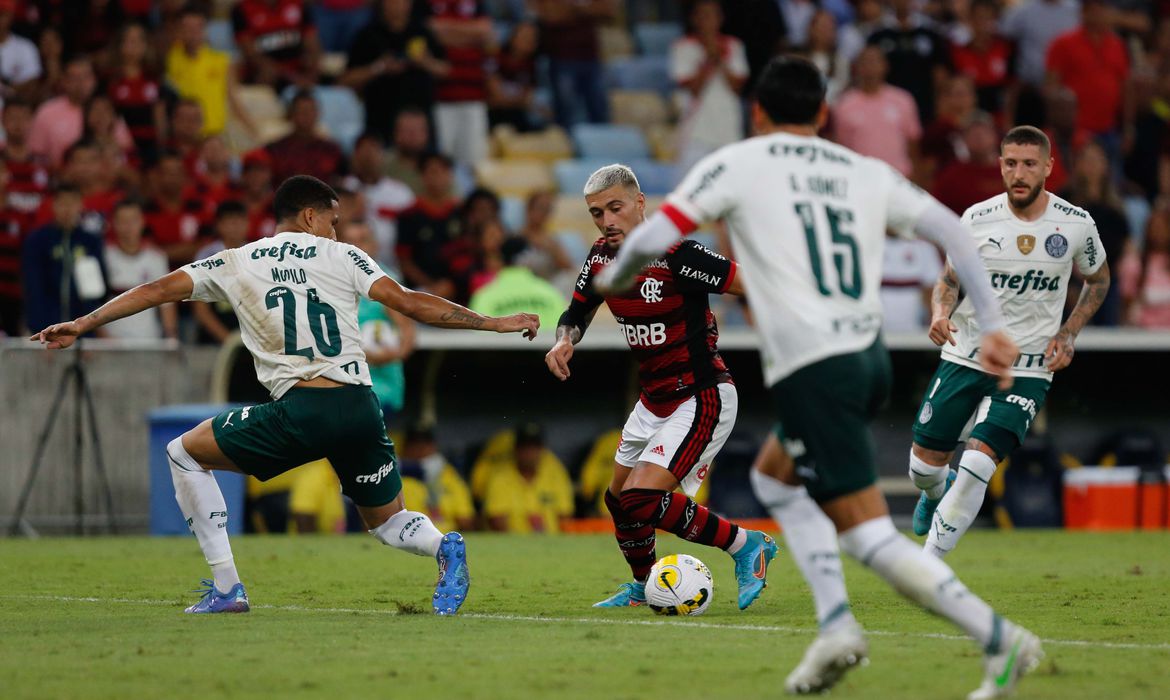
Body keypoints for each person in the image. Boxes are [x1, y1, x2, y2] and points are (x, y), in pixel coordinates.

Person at [595, 56, 1040, 698]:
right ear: (824, 114)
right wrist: (994, 323)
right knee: (772, 479)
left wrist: (610, 278)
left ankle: (1001, 640)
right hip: (868, 357)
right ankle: (835, 627)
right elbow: (953, 228)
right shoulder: (862, 169)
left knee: (866, 534)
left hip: (813, 367)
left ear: (757, 114)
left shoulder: (739, 164)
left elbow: (651, 238)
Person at [30, 174, 539, 616]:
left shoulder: (236, 261)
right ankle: (443, 546)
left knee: (183, 453)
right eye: (333, 220)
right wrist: (490, 322)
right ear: (311, 216)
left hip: (303, 407)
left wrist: (85, 321)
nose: (336, 230)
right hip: (360, 405)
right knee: (387, 522)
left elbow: (157, 290)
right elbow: (408, 303)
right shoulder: (346, 256)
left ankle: (227, 588)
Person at [544, 163, 778, 612]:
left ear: (639, 204)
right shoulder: (600, 258)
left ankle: (747, 545)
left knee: (641, 496)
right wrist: (564, 341)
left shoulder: (678, 254)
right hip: (653, 401)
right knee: (618, 501)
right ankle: (641, 587)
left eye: (615, 208)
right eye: (596, 213)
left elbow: (749, 283)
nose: (607, 220)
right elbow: (577, 311)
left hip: (701, 394)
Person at [909, 125, 1110, 562]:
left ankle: (928, 566)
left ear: (1049, 168)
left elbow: (1098, 280)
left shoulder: (1075, 224)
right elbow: (948, 281)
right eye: (1011, 163)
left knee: (980, 461)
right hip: (966, 354)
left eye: (1030, 164)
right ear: (1001, 165)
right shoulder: (977, 220)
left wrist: (1068, 332)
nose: (1019, 173)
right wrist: (940, 314)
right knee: (923, 467)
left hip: (1029, 366)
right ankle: (933, 494)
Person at [338, 219, 416, 427]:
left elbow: (407, 332)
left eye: (362, 240)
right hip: (339, 381)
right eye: (350, 241)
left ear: (375, 245)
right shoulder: (331, 281)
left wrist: (391, 354)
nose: (356, 247)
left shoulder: (385, 282)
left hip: (378, 384)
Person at [670, 0, 749, 174]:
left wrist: (720, 58)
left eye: (712, 15)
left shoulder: (733, 46)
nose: (708, 21)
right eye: (704, 15)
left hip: (728, 128)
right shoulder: (683, 47)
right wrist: (708, 60)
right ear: (694, 19)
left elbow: (737, 86)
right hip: (696, 130)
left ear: (720, 19)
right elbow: (693, 88)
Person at [22, 183, 107, 333]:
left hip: (83, 330)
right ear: (53, 205)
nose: (67, 209)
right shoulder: (37, 240)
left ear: (81, 205)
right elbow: (34, 287)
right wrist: (40, 329)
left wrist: (92, 330)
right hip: (45, 329)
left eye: (72, 202)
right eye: (62, 203)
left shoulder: (90, 241)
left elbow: (95, 290)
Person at [103, 199, 177, 340]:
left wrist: (171, 338)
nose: (129, 226)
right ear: (114, 224)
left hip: (148, 339)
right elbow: (94, 302)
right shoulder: (105, 256)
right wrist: (103, 337)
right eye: (123, 221)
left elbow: (167, 303)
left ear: (142, 222)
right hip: (111, 340)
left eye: (133, 220)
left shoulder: (156, 258)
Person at [482, 423, 574, 533]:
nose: (530, 453)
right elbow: (496, 522)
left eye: (534, 448)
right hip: (512, 544)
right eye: (525, 448)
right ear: (516, 449)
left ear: (542, 450)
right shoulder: (501, 476)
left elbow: (565, 516)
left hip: (551, 543)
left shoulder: (555, 473)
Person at [265, 90, 346, 186]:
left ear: (317, 113)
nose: (306, 116)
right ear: (292, 114)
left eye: (310, 111)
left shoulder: (332, 150)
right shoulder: (275, 149)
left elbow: (342, 181)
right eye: (302, 111)